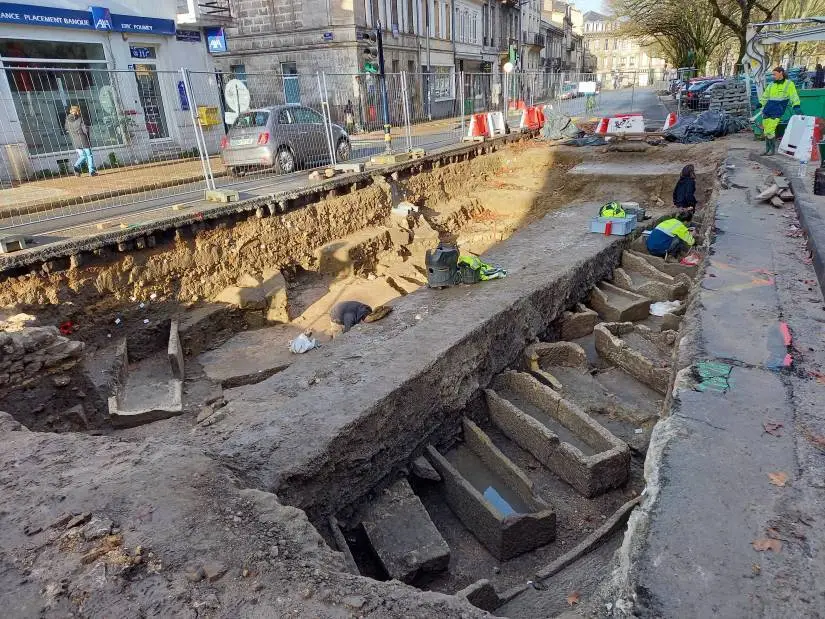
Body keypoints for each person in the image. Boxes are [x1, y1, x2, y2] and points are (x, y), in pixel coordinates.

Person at [759, 67, 802, 156]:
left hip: (778, 110)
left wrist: (796, 105)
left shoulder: (789, 84)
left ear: (781, 73)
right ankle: (767, 150)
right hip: (768, 109)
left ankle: (772, 151)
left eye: (775, 74)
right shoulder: (771, 84)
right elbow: (765, 96)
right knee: (766, 129)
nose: (773, 76)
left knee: (770, 130)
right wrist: (760, 103)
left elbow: (794, 95)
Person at [64, 105, 97, 177]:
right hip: (83, 140)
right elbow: (85, 130)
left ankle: (76, 166)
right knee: (89, 155)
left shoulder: (67, 121)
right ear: (77, 111)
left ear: (71, 111)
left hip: (75, 141)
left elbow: (66, 130)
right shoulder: (80, 119)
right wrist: (88, 129)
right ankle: (91, 171)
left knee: (82, 156)